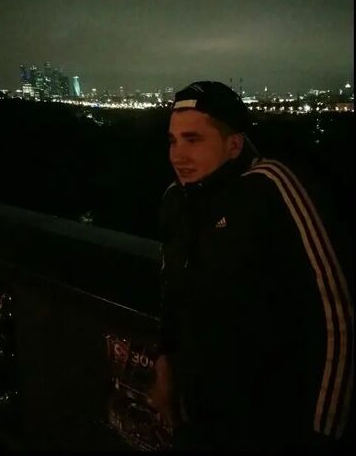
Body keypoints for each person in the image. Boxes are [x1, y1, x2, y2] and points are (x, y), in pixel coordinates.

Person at [148, 81, 353, 451]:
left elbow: (338, 312)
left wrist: (323, 431)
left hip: (273, 425)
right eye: (173, 141)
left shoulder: (270, 189)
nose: (178, 155)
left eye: (193, 140)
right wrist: (165, 360)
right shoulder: (176, 201)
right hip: (199, 420)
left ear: (234, 145)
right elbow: (173, 290)